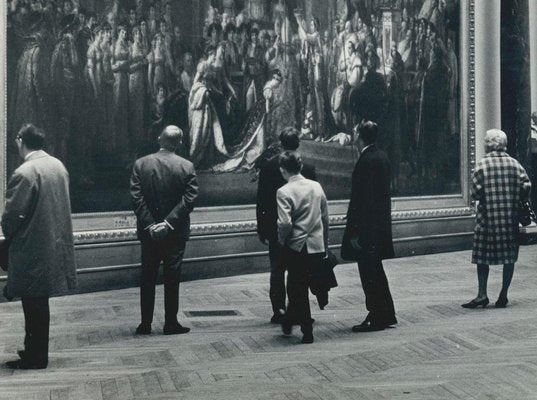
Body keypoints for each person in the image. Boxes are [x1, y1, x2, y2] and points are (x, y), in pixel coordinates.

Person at [2, 124, 77, 369]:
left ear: (21, 140)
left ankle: (36, 355)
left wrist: (7, 232)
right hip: (53, 243)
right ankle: (33, 350)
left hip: (31, 246)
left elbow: (12, 215)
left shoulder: (25, 172)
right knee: (38, 301)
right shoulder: (58, 166)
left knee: (32, 302)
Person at [130, 125, 199, 335]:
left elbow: (136, 198)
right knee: (172, 277)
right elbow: (189, 200)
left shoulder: (141, 164)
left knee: (147, 277)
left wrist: (151, 224)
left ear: (159, 138)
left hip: (149, 233)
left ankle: (145, 323)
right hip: (175, 233)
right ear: (179, 143)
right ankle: (170, 323)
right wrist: (168, 223)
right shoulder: (186, 166)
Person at [462, 129, 531, 309]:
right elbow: (526, 186)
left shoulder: (482, 165)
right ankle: (503, 294)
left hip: (487, 220)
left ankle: (482, 294)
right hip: (509, 219)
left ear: (488, 144)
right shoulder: (515, 164)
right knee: (509, 257)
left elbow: (475, 194)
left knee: (482, 257)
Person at [256, 128, 316, 323]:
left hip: (276, 228)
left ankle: (279, 310)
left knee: (277, 269)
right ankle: (300, 309)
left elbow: (262, 202)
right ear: (298, 143)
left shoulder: (268, 167)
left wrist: (262, 228)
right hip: (302, 228)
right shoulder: (307, 167)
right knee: (300, 271)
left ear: (281, 143)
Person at [343, 121, 397, 332]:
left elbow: (361, 200)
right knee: (377, 271)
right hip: (379, 226)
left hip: (366, 228)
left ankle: (376, 316)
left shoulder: (366, 160)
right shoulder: (381, 156)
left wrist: (355, 232)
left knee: (369, 273)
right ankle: (387, 313)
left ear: (360, 136)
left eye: (356, 133)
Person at [277, 151, 329, 344]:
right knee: (299, 286)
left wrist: (282, 241)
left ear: (283, 170)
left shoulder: (284, 191)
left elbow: (285, 223)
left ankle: (307, 330)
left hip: (297, 246)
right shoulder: (316, 186)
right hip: (316, 245)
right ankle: (289, 321)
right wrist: (325, 242)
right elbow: (325, 218)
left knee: (297, 288)